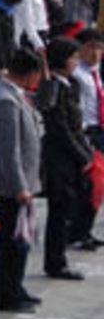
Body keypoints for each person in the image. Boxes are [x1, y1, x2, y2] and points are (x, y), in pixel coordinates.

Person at [0, 51, 45, 312]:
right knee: (11, 243)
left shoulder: (15, 95)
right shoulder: (5, 101)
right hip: (12, 185)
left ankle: (17, 287)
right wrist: (20, 186)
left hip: (25, 181)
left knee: (20, 241)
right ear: (29, 74)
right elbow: (9, 150)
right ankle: (6, 294)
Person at [35, 37, 90, 282]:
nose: (76, 62)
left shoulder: (70, 84)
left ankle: (58, 258)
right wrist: (81, 154)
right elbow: (60, 128)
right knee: (59, 211)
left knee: (67, 208)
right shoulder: (52, 87)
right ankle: (55, 262)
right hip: (60, 158)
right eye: (73, 57)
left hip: (72, 155)